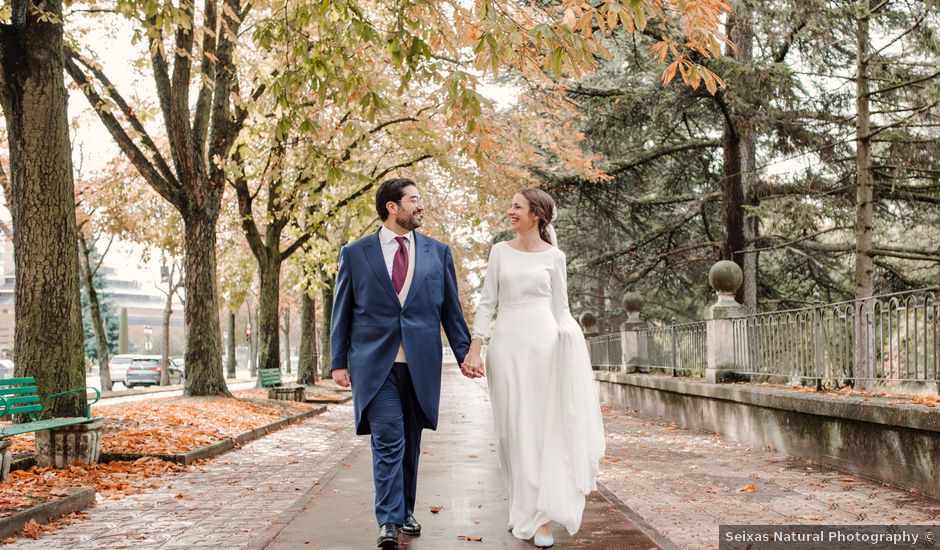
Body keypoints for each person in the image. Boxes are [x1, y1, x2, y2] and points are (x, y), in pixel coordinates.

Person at [330, 178, 482, 550]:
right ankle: (388, 520)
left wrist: (466, 353)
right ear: (392, 207)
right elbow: (342, 310)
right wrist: (338, 361)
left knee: (410, 442)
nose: (421, 206)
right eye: (414, 200)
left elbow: (451, 311)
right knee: (388, 439)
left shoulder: (438, 253)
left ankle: (405, 510)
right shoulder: (355, 253)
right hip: (374, 365)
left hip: (420, 364)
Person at [462, 189, 605, 548]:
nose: (509, 211)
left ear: (535, 215)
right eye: (510, 204)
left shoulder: (556, 257)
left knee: (538, 432)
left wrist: (570, 336)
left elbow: (561, 308)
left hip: (544, 347)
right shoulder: (499, 253)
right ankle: (520, 508)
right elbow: (487, 303)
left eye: (517, 206)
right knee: (511, 433)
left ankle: (539, 519)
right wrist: (476, 346)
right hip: (506, 347)